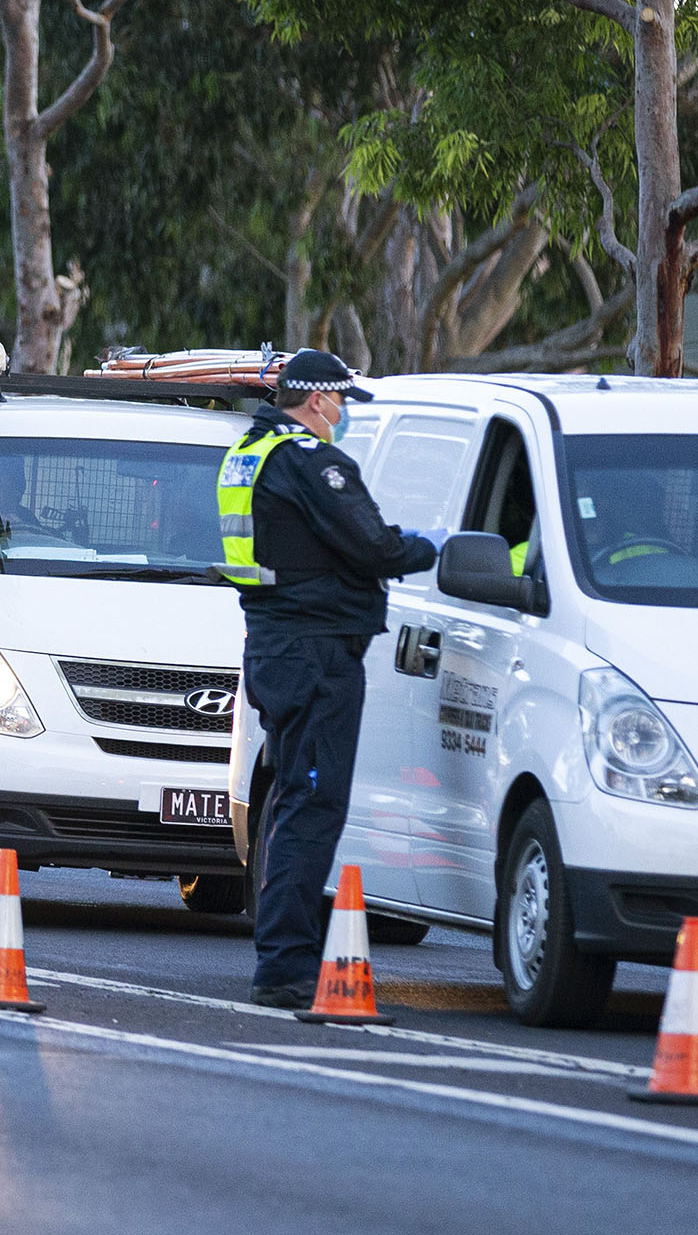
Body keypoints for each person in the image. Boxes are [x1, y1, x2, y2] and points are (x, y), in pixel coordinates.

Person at [218, 350, 440, 1009]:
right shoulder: (312, 462)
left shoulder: (248, 455)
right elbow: (377, 548)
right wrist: (437, 544)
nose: (341, 415)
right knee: (314, 805)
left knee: (292, 800)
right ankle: (286, 964)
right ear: (317, 401)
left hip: (275, 647)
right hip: (316, 655)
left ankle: (285, 952)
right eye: (340, 402)